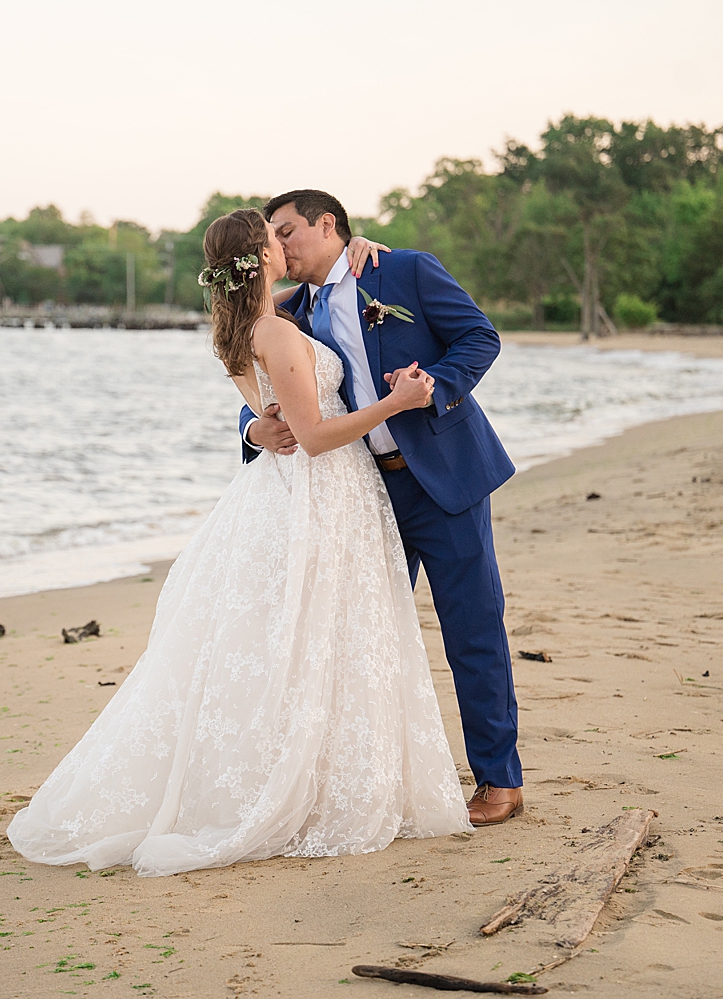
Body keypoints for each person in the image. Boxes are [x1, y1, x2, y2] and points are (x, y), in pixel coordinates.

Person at [6, 209, 471, 878]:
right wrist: (398, 405)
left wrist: (261, 427)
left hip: (294, 495)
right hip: (320, 490)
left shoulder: (237, 330)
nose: (285, 245)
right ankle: (298, 788)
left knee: (304, 641)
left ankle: (311, 773)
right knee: (314, 639)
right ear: (259, 256)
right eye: (273, 237)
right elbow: (312, 436)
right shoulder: (275, 333)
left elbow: (276, 411)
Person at [244, 190, 523, 826]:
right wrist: (251, 429)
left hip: (446, 479)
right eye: (271, 240)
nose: (280, 248)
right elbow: (253, 371)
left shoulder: (405, 271)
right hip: (364, 494)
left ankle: (500, 781)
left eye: (289, 232)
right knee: (362, 639)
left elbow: (480, 338)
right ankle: (369, 785)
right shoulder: (292, 315)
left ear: (328, 225)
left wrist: (433, 390)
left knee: (472, 629)